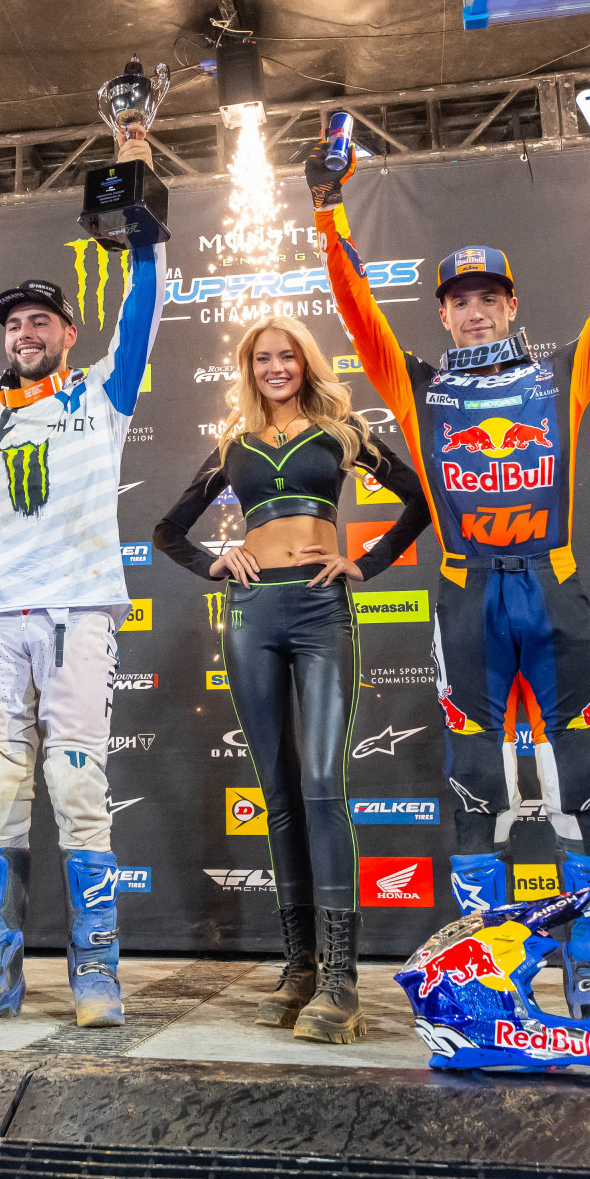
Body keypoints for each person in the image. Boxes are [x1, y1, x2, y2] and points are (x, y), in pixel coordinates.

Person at [311, 120, 590, 1050]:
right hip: (466, 602)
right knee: (473, 786)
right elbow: (356, 316)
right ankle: (484, 989)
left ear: (510, 304)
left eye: (486, 298)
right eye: (457, 300)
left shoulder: (561, 373)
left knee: (583, 782)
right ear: (444, 312)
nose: (472, 312)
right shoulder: (417, 387)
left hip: (553, 594)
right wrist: (326, 205)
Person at [0, 128, 166, 1028]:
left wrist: (140, 205)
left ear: (66, 332)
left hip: (81, 614)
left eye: (39, 321)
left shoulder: (104, 395)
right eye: (13, 325)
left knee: (80, 788)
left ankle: (97, 976)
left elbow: (145, 306)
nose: (24, 333)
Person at [152, 315, 429, 1044]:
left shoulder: (341, 433)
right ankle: (298, 967)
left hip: (319, 610)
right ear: (249, 369)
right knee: (276, 794)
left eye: (287, 356)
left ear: (306, 363)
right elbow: (167, 531)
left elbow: (420, 501)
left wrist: (363, 564)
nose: (276, 367)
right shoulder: (233, 445)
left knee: (321, 787)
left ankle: (341, 981)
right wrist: (213, 562)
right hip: (250, 614)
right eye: (263, 358)